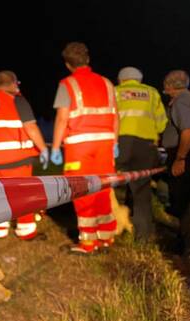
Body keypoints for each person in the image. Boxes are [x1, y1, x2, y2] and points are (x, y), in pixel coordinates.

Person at [50, 42, 119, 254]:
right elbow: (115, 115)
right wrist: (115, 142)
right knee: (103, 187)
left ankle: (88, 243)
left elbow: (62, 118)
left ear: (68, 65)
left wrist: (54, 147)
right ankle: (106, 238)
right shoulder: (107, 83)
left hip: (80, 145)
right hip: (105, 144)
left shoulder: (67, 84)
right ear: (88, 59)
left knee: (82, 189)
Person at [0, 70, 49, 240]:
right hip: (16, 158)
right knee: (23, 194)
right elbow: (30, 127)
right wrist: (43, 149)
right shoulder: (17, 100)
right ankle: (26, 230)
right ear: (13, 83)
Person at [114, 67, 167, 240]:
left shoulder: (115, 91)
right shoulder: (151, 92)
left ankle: (106, 228)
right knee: (142, 191)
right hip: (146, 146)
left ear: (121, 80)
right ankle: (142, 236)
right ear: (139, 79)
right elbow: (161, 123)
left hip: (119, 143)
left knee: (106, 184)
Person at [161, 70, 190, 266]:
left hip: (187, 156)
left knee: (184, 203)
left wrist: (180, 158)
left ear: (169, 86)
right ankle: (188, 244)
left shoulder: (181, 101)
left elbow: (189, 129)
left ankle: (187, 247)